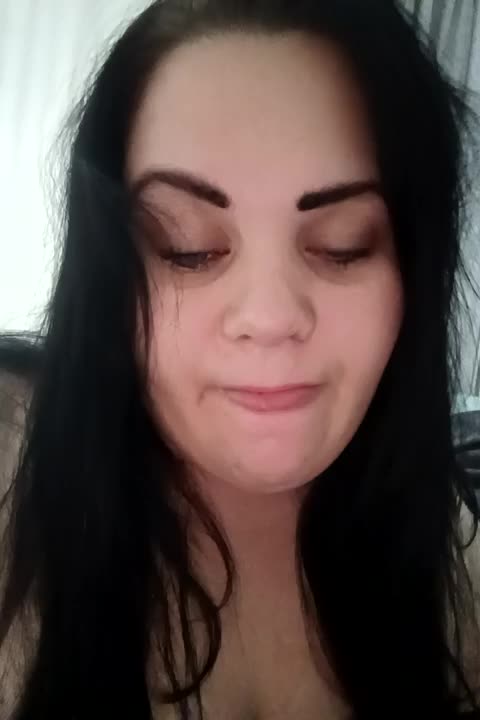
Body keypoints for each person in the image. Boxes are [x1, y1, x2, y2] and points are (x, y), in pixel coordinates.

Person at [0, 0, 479, 718]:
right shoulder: (13, 448)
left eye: (344, 245)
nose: (269, 319)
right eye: (187, 248)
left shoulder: (455, 561)